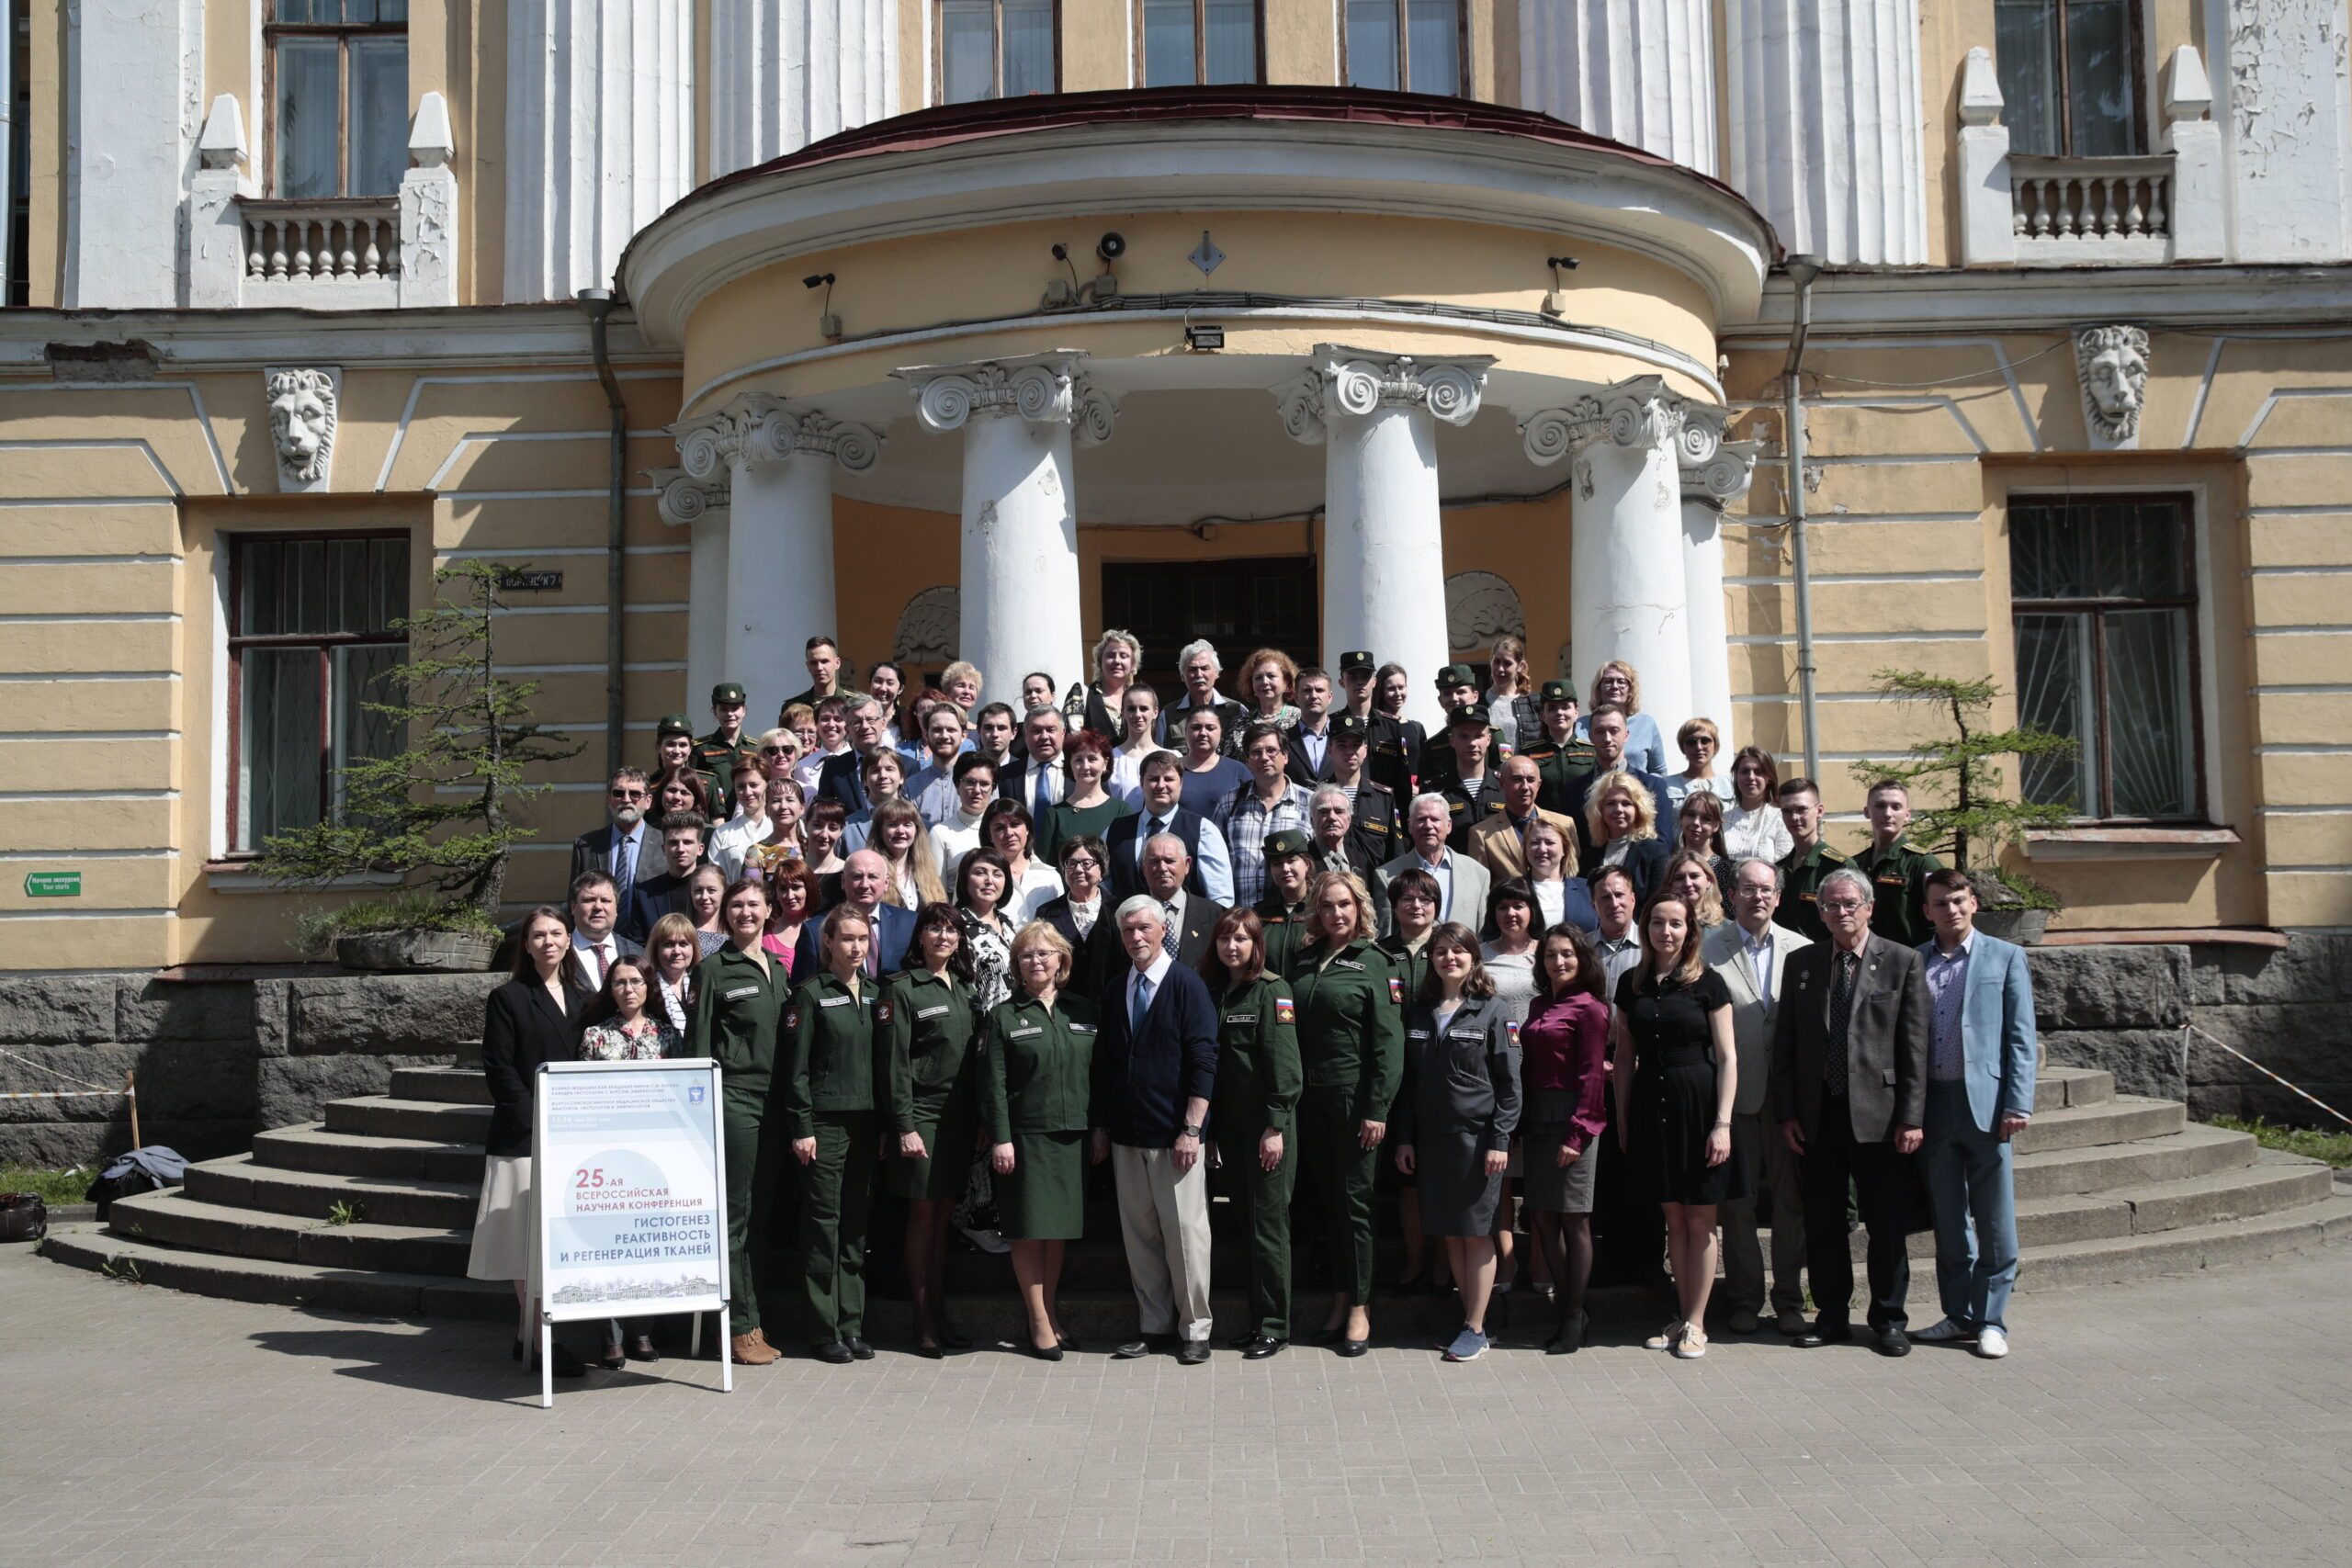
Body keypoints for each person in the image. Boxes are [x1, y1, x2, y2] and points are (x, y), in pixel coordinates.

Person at [1770, 866, 1931, 1356]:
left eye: (1849, 904)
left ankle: (1888, 1318)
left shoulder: (1902, 961)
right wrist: (1788, 1113)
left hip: (1880, 1117)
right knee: (1823, 1223)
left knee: (1884, 1223)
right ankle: (1832, 1316)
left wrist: (1912, 1116)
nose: (1840, 913)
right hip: (1819, 1115)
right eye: (1830, 905)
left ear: (1869, 908)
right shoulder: (1803, 963)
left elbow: (1915, 1047)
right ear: (1819, 912)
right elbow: (1788, 1046)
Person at [1911, 868, 2038, 1360]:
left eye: (1959, 900)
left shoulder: (2006, 957)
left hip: (1986, 1103)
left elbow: (2021, 1036)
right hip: (1934, 1104)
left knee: (1995, 1217)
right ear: (1927, 911)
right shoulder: (1914, 961)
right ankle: (1958, 1314)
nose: (1952, 910)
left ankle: (1992, 1319)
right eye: (1941, 903)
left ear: (1974, 903)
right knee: (1948, 1218)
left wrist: (2018, 1101)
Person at [1611, 890, 1743, 1360]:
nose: (1666, 932)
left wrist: (1723, 1123)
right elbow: (1624, 1058)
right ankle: (1680, 1316)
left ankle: (1697, 1322)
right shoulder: (1631, 983)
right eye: (1657, 923)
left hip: (1699, 1104)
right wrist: (1624, 1119)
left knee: (1701, 1219)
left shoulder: (1710, 983)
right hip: (1652, 1105)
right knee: (1673, 1218)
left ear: (1690, 930)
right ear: (1645, 929)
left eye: (1676, 924)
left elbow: (1727, 1057)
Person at [1097, 897, 1222, 1364]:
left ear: (1162, 929)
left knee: (1186, 1234)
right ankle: (1155, 1325)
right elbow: (1109, 1064)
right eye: (1128, 931)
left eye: (1144, 929)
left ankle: (1196, 1330)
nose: (1136, 938)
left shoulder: (1188, 985)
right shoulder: (1116, 990)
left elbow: (1204, 1060)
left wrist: (1192, 1128)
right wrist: (1104, 1128)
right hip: (1129, 1135)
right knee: (1141, 1235)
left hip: (1176, 1137)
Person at [469, 907, 592, 1378]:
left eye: (556, 933)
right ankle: (541, 1339)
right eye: (538, 935)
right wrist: (537, 1122)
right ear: (526, 944)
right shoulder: (508, 997)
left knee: (554, 1243)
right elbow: (499, 1070)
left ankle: (527, 1334)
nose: (547, 942)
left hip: (573, 1139)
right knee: (524, 1244)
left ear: (568, 940)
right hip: (524, 1138)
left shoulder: (585, 996)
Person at [1287, 870, 1404, 1356]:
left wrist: (1377, 1108)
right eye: (1328, 906)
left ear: (1360, 909)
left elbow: (1388, 1043)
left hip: (1355, 1104)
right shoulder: (1305, 960)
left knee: (1355, 1207)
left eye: (1345, 905)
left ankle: (1360, 1308)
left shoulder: (1376, 963)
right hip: (1310, 1104)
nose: (1336, 913)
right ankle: (1340, 1299)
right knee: (1327, 1205)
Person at [1395, 923, 1522, 1362]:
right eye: (1441, 951)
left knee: (1477, 1233)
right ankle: (1470, 1319)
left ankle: (1476, 1325)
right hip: (1432, 1141)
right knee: (1451, 1233)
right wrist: (1406, 1139)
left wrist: (1499, 1140)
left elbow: (1510, 1085)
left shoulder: (1492, 1010)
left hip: (1478, 1140)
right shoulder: (1419, 1012)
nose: (1450, 958)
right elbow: (1409, 1086)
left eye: (1459, 951)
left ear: (1474, 957)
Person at [1700, 857, 1813, 1336]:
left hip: (1787, 1102)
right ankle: (1745, 1299)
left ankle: (1789, 1299)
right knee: (1738, 1206)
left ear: (1778, 897)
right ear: (1732, 895)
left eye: (1766, 889)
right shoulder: (1708, 949)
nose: (1758, 897)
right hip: (1734, 1098)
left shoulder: (1803, 949)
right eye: (1748, 888)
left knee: (1791, 1204)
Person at [686, 878, 794, 1366]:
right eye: (736, 906)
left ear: (769, 910)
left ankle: (753, 1316)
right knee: (736, 1216)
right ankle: (738, 1325)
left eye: (754, 904)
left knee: (761, 1215)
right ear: (725, 916)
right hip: (735, 1100)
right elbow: (700, 1046)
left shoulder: (776, 966)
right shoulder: (713, 968)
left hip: (775, 1105)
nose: (745, 913)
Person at [985, 922, 1104, 1360]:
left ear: (1062, 961)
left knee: (1057, 1235)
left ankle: (1052, 1315)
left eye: (1045, 954)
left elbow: (1098, 1078)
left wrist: (1098, 1129)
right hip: (1026, 1139)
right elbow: (993, 1086)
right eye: (1027, 955)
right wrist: (1001, 1139)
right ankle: (1037, 1322)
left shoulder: (1084, 1011)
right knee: (1027, 1233)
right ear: (1016, 965)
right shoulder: (1003, 1016)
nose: (1036, 961)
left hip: (1072, 1138)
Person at [783, 904, 888, 1364]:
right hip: (823, 1125)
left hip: (865, 1124)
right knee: (822, 1227)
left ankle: (852, 1323)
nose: (856, 947)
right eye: (847, 939)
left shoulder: (875, 993)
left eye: (862, 940)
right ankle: (823, 1328)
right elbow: (796, 1070)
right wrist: (802, 1127)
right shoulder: (809, 994)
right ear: (828, 943)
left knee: (854, 1228)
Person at [880, 903, 987, 1358]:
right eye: (934, 928)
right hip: (921, 1116)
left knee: (944, 1217)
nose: (943, 936)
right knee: (922, 1218)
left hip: (958, 1121)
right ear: (919, 937)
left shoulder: (966, 989)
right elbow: (893, 1065)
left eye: (951, 930)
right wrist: (903, 1125)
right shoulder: (902, 988)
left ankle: (939, 1315)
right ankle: (921, 1321)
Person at [1200, 908, 1302, 1360]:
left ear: (1256, 944)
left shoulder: (1271, 991)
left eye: (1241, 939)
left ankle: (1275, 1326)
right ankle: (1256, 1321)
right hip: (1233, 1132)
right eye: (1225, 939)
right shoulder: (1215, 992)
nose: (1232, 947)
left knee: (1268, 1229)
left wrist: (1275, 1127)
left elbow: (1285, 1067)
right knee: (1247, 1227)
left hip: (1266, 1131)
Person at [1519, 924, 1611, 1353]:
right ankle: (1569, 1305)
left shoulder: (1591, 1008)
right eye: (1551, 955)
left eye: (1567, 954)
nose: (1558, 962)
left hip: (1574, 1119)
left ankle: (1573, 1315)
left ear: (1582, 959)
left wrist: (1579, 1133)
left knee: (1574, 1218)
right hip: (1536, 1118)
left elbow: (1593, 1075)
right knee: (1541, 1216)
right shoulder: (1538, 1004)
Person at [576, 953, 670, 1367]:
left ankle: (642, 1332)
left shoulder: (667, 1036)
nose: (628, 989)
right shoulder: (595, 1036)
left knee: (645, 1248)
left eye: (636, 981)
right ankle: (610, 1337)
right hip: (607, 1159)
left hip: (653, 1158)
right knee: (606, 1249)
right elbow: (579, 1097)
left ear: (649, 986)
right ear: (609, 990)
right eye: (619, 983)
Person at [1376, 866, 1442, 1291]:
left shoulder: (1450, 947)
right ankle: (1415, 1264)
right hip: (1396, 1079)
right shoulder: (1379, 954)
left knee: (1442, 1177)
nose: (1416, 906)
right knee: (1408, 1181)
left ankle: (1444, 1267)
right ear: (1394, 907)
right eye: (1407, 900)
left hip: (1441, 1078)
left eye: (1424, 899)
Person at [1106, 750, 1236, 906]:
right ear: (1141, 783)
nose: (1161, 785)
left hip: (1186, 927)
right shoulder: (1115, 830)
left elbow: (1220, 900)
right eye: (1153, 779)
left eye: (1168, 779)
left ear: (1181, 783)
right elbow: (1102, 890)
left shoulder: (1203, 830)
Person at [1216, 722, 1313, 908]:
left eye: (1271, 750)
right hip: (1241, 917)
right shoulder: (1229, 802)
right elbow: (1216, 863)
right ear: (1247, 760)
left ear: (1285, 756)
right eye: (1256, 752)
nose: (1264, 758)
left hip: (1291, 918)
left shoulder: (1308, 802)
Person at [1565, 706, 1675, 867]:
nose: (1607, 738)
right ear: (1590, 737)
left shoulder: (1652, 786)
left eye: (1614, 730)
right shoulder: (1573, 791)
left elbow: (1663, 842)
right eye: (1600, 731)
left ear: (1626, 735)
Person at [794, 849, 916, 976]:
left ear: (886, 883)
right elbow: (803, 986)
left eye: (873, 877)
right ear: (843, 881)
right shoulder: (815, 930)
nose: (864, 884)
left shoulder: (909, 923)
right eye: (857, 876)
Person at [1377, 794, 1492, 929]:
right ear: (1409, 826)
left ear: (1449, 825)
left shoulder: (1478, 874)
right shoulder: (1387, 876)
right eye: (1421, 819)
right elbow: (1385, 935)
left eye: (1435, 819)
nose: (1428, 825)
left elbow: (1483, 933)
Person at [1859, 778, 1944, 949]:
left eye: (1896, 807)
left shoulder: (1923, 863)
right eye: (1880, 806)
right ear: (1867, 811)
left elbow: (1938, 920)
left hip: (1907, 962)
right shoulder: (1856, 863)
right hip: (1864, 961)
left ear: (1907, 814)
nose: (1888, 813)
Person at [1464, 753, 1579, 880]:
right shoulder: (1481, 834)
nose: (1525, 787)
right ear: (1502, 783)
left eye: (1530, 780)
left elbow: (1572, 872)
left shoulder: (1565, 824)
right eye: (1517, 779)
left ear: (1539, 785)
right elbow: (1480, 887)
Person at [1036, 834, 1121, 1001]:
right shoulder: (1046, 912)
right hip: (1063, 1005)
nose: (1078, 869)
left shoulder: (1118, 909)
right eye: (1071, 863)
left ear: (1102, 870)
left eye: (1087, 863)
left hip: (1110, 1003)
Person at [1772, 776, 1853, 945]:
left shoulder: (1838, 867)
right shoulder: (1778, 869)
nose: (1794, 817)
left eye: (1801, 809)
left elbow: (1853, 925)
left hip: (1823, 962)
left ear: (1820, 811)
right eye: (1786, 811)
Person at [1036, 728, 1136, 862]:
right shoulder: (1055, 815)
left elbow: (1126, 861)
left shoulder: (1122, 811)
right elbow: (1046, 868)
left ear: (1105, 763)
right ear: (1069, 765)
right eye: (1078, 760)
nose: (1085, 766)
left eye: (1092, 759)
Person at [1306, 783, 1392, 934]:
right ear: (1312, 820)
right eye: (1324, 812)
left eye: (1339, 811)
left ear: (1349, 819)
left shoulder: (1363, 861)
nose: (1332, 817)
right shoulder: (1302, 861)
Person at [1137, 832, 1228, 966]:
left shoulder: (1214, 914)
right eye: (1154, 861)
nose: (1162, 868)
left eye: (1169, 861)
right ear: (1144, 868)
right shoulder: (1123, 914)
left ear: (1187, 865)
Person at [1579, 770, 1671, 903]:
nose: (1619, 810)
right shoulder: (1589, 857)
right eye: (1610, 803)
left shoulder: (1656, 853)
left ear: (1638, 809)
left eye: (1626, 803)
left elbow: (1657, 904)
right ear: (1600, 810)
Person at [620, 815, 711, 944]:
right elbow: (637, 943)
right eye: (673, 843)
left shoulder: (716, 892)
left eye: (687, 842)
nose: (680, 849)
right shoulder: (644, 894)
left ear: (700, 849)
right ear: (664, 848)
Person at [571, 768, 651, 911]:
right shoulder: (585, 846)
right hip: (599, 932)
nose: (626, 800)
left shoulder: (665, 844)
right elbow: (574, 903)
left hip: (653, 932)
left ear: (648, 801)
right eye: (619, 793)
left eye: (635, 794)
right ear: (609, 800)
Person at [1325, 713, 1400, 860]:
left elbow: (1396, 853)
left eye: (1356, 745)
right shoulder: (1317, 796)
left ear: (1365, 750)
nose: (1350, 751)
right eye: (1342, 745)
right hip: (1331, 880)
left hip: (1374, 882)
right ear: (1329, 750)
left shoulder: (1384, 798)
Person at [954, 848, 1022, 1010]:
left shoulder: (1008, 923)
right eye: (980, 873)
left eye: (997, 874)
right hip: (978, 1025)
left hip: (1016, 1023)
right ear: (965, 879)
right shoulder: (954, 924)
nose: (989, 880)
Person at [1518, 679, 1597, 817]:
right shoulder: (1528, 753)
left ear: (1576, 712)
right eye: (1552, 708)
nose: (1559, 712)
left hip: (1584, 830)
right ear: (1543, 715)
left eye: (1565, 707)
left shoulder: (1592, 751)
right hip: (1544, 829)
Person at [1577, 660, 1669, 774]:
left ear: (1630, 690)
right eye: (1608, 681)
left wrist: (1647, 788)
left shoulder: (1646, 724)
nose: (1615, 686)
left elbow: (1659, 771)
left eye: (1621, 682)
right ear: (1599, 688)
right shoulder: (1580, 726)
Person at [979, 798, 1066, 921]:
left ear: (1028, 828)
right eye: (1000, 828)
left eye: (1015, 825)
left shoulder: (1051, 877)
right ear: (989, 835)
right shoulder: (977, 876)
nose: (1009, 833)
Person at [1252, 827, 1320, 976]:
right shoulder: (1258, 915)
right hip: (1270, 996)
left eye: (1292, 861)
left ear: (1307, 864)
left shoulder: (1321, 908)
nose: (1285, 869)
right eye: (1277, 863)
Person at [1431, 704, 1504, 843]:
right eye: (1464, 736)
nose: (1472, 743)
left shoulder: (1505, 785)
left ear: (1489, 739)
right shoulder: (1435, 790)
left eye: (1478, 736)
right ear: (1452, 740)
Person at [1161, 638, 1248, 754]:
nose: (1199, 674)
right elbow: (1160, 758)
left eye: (1205, 668)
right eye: (1192, 669)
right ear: (1182, 676)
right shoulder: (1168, 715)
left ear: (1217, 672)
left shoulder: (1237, 711)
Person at [865, 798, 948, 911]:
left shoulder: (927, 872)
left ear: (916, 830)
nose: (900, 830)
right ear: (880, 832)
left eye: (907, 825)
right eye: (892, 824)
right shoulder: (870, 872)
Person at [817, 695, 892, 816]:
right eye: (857, 722)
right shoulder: (833, 768)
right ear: (847, 730)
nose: (865, 726)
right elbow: (824, 814)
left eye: (871, 720)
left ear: (883, 724)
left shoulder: (907, 765)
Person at [926, 752, 999, 878]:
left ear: (993, 788)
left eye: (984, 784)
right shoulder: (940, 833)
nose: (977, 790)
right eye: (970, 782)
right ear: (957, 785)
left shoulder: (1006, 829)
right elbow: (936, 892)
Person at [1521, 818, 1598, 935]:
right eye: (1535, 842)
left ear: (1564, 849)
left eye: (1549, 842)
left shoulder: (1588, 889)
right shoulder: (1511, 889)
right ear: (1526, 849)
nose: (1542, 849)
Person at [566, 871, 641, 989]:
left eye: (605, 900)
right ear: (573, 907)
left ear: (616, 908)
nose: (598, 907)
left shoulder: (638, 953)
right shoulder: (558, 954)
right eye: (589, 900)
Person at [1364, 658, 1426, 800]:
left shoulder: (1416, 728)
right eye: (1391, 689)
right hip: (1381, 799)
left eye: (1401, 687)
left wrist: (1420, 789)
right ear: (1380, 690)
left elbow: (1425, 768)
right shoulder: (1372, 726)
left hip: (1413, 799)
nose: (1398, 693)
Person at [1723, 744, 1794, 863]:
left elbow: (1784, 868)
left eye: (1758, 772)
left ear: (1769, 778)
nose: (1751, 777)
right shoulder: (1723, 819)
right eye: (1745, 771)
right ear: (1736, 776)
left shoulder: (1780, 819)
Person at [904, 701, 972, 826]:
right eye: (937, 730)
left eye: (951, 730)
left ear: (963, 736)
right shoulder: (910, 787)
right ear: (926, 734)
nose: (944, 736)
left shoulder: (980, 783)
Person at [997, 705, 1069, 817]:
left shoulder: (1081, 772)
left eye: (1050, 730)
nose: (1044, 736)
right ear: (1025, 735)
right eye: (1036, 731)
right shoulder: (1004, 776)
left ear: (1063, 733)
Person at [643, 912, 700, 1053]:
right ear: (656, 949)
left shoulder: (701, 985)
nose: (677, 951)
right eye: (668, 944)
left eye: (683, 944)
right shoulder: (647, 989)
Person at [1479, 879, 1541, 1009]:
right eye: (1503, 907)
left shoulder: (1546, 952)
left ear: (1532, 910)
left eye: (1518, 906)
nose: (1510, 913)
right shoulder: (1479, 954)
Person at [654, 712, 729, 818]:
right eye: (670, 744)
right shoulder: (648, 784)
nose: (677, 751)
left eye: (683, 745)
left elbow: (718, 825)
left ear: (690, 749)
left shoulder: (709, 782)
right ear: (658, 747)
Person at [1176, 707, 1250, 816]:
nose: (1203, 733)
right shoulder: (1171, 768)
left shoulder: (1238, 771)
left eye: (1210, 728)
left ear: (1221, 732)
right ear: (1185, 731)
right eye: (1196, 727)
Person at [836, 745, 908, 854]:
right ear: (864, 779)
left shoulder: (918, 825)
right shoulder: (846, 828)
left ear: (901, 777)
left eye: (889, 769)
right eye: (875, 770)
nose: (883, 775)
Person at [711, 760, 774, 881]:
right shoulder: (723, 833)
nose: (747, 792)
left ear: (767, 785)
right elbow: (716, 882)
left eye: (754, 785)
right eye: (741, 786)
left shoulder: (782, 829)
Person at [1481, 635, 1541, 758]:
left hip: (1524, 774)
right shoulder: (1479, 702)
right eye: (1496, 661)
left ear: (1520, 666)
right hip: (1491, 774)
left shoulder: (1534, 703)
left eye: (1507, 663)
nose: (1500, 669)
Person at [756, 859, 818, 976]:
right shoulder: (763, 931)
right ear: (776, 893)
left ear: (809, 889)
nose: (790, 896)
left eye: (796, 887)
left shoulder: (820, 929)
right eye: (783, 889)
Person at [1080, 627, 1142, 739]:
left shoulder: (1141, 700)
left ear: (1133, 664)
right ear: (1100, 662)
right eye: (1110, 655)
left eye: (1124, 656)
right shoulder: (1083, 697)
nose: (1117, 661)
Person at [1107, 682, 1162, 804]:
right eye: (1131, 709)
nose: (1137, 715)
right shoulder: (1110, 760)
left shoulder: (1172, 757)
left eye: (1144, 708)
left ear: (1155, 712)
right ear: (1123, 713)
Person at [693, 682, 758, 784]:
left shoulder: (756, 748)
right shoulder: (701, 749)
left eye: (735, 708)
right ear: (715, 712)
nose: (730, 714)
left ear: (744, 710)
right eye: (724, 709)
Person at [1283, 666, 1338, 785]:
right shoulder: (1283, 739)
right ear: (1296, 698)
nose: (1313, 696)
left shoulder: (1342, 736)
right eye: (1307, 690)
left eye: (1319, 690)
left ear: (1330, 697)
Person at [1673, 789, 1733, 893]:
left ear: (1716, 826)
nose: (1696, 822)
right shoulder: (1669, 864)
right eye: (1691, 815)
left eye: (1706, 818)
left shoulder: (1725, 869)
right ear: (1681, 819)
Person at [795, 695, 853, 799]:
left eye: (838, 719)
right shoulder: (803, 766)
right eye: (825, 719)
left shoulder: (858, 760)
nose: (831, 724)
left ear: (847, 724)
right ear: (816, 725)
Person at [1662, 849, 1728, 934]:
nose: (1687, 884)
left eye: (1694, 876)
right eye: (1679, 878)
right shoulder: (1660, 928)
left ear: (1708, 881)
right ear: (1670, 884)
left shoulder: (1728, 930)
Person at [1668, 716, 1724, 811]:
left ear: (1716, 745)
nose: (1698, 747)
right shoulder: (1666, 785)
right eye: (1691, 742)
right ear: (1683, 747)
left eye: (1705, 741)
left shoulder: (1731, 786)